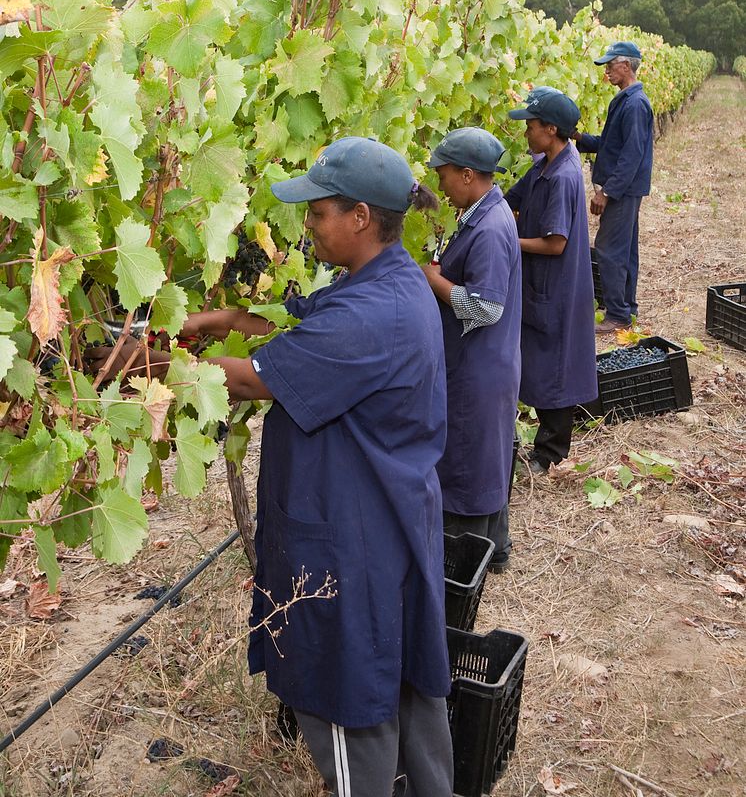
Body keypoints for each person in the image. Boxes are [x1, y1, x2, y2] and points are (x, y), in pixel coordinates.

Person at [88, 137, 454, 797]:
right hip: (384, 528)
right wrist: (225, 317)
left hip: (353, 546)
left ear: (360, 217)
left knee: (352, 709)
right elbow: (302, 334)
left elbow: (257, 379)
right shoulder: (387, 281)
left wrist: (149, 363)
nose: (308, 225)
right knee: (404, 702)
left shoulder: (372, 314)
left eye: (317, 213)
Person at [422, 127, 522, 571]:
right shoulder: (486, 216)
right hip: (487, 362)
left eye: (442, 175)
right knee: (489, 453)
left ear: (467, 175)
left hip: (479, 366)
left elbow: (486, 307)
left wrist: (434, 280)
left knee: (469, 460)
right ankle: (495, 551)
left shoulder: (490, 230)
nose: (439, 185)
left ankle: (468, 562)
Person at [506, 88, 597, 473]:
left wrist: (508, 239)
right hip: (545, 285)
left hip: (555, 284)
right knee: (546, 361)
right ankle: (548, 445)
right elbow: (512, 197)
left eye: (531, 126)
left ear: (551, 129)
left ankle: (551, 453)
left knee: (555, 366)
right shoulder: (547, 164)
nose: (526, 132)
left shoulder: (562, 176)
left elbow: (555, 243)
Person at [573, 40, 654, 333]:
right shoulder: (626, 100)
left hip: (622, 190)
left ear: (626, 65)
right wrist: (580, 138)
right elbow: (610, 145)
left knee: (609, 249)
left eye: (610, 65)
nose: (606, 71)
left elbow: (631, 156)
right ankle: (627, 308)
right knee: (626, 249)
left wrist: (606, 192)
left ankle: (618, 315)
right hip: (627, 189)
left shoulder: (634, 104)